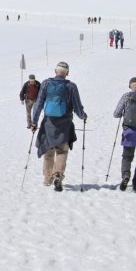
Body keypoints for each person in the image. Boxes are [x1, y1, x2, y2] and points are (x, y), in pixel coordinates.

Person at [31, 61, 87, 192]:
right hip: (65, 125)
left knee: (48, 152)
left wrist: (34, 122)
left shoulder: (46, 83)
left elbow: (38, 104)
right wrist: (83, 116)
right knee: (62, 151)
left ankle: (47, 178)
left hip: (48, 124)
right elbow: (78, 107)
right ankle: (58, 175)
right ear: (67, 73)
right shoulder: (71, 86)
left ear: (55, 71)